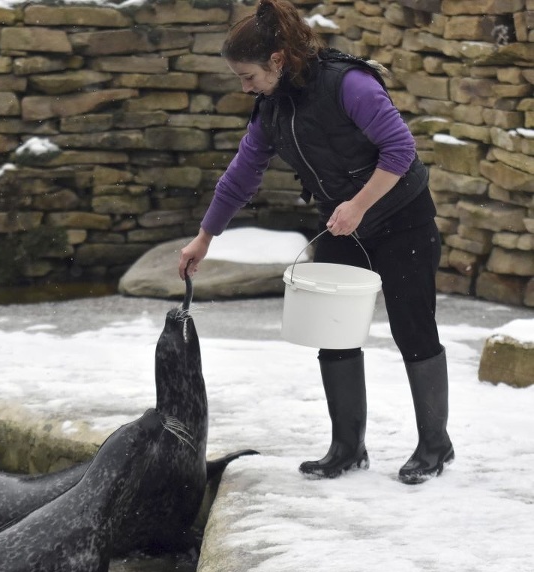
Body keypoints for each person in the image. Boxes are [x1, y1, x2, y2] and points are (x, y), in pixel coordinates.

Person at [177, 0, 454, 484]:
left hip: (401, 217)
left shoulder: (349, 83)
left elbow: (400, 149)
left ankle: (435, 446)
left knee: (413, 328)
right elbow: (241, 175)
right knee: (334, 331)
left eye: (247, 76)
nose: (244, 87)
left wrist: (360, 204)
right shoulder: (273, 106)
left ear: (278, 60)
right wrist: (205, 237)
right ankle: (347, 447)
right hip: (343, 225)